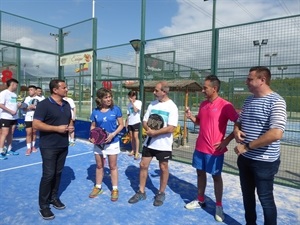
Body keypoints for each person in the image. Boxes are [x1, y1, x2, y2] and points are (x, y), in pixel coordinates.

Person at [233, 66, 287, 225]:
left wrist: (247, 146)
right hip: (245, 159)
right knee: (247, 196)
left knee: (265, 199)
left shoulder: (276, 101)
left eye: (250, 79)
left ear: (262, 80)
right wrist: (236, 130)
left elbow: (276, 133)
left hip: (264, 162)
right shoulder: (248, 99)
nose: (246, 82)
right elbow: (240, 121)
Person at [184, 75, 239, 222]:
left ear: (214, 88)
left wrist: (226, 141)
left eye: (205, 87)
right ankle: (200, 199)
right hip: (200, 147)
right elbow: (199, 122)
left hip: (215, 150)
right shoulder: (203, 105)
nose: (202, 90)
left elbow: (238, 123)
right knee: (200, 174)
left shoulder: (225, 105)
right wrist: (190, 117)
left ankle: (219, 206)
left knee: (216, 177)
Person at [128, 81, 178, 207]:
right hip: (149, 143)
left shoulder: (172, 107)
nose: (154, 92)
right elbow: (144, 120)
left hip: (164, 145)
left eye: (156, 90)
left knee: (163, 167)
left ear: (164, 92)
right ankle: (141, 192)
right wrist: (148, 129)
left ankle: (161, 193)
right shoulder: (152, 104)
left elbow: (171, 127)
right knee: (143, 165)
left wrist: (155, 132)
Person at [33, 79, 74, 220]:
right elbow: (36, 124)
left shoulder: (67, 104)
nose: (66, 89)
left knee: (58, 173)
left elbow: (69, 119)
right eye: (64, 87)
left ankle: (53, 198)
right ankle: (44, 206)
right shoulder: (44, 105)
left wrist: (70, 126)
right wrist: (57, 129)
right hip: (48, 146)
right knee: (48, 175)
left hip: (63, 145)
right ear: (55, 90)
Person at [88, 88, 124, 202]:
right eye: (106, 97)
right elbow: (93, 127)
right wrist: (92, 137)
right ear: (100, 99)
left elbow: (121, 125)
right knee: (99, 166)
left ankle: (114, 189)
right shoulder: (95, 112)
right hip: (99, 144)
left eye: (110, 97)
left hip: (112, 143)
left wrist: (113, 135)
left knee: (112, 166)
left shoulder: (116, 110)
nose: (109, 99)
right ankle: (98, 187)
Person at [0, 78, 22, 159]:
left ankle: (9, 149)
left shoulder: (15, 95)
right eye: (16, 85)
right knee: (4, 134)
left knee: (11, 133)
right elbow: (1, 104)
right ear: (12, 84)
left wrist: (18, 106)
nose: (16, 87)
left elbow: (15, 105)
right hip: (5, 117)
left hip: (14, 118)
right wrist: (10, 111)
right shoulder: (3, 93)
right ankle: (1, 151)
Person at [126, 90, 142, 159]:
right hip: (130, 122)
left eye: (132, 96)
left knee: (136, 137)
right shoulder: (128, 105)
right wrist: (126, 123)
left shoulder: (139, 102)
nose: (130, 98)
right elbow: (128, 114)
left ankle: (137, 152)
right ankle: (133, 150)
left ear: (135, 96)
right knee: (131, 137)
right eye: (129, 97)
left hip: (136, 122)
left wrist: (132, 103)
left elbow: (135, 111)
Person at [23, 85, 39, 155]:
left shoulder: (40, 99)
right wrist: (28, 108)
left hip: (36, 118)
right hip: (28, 117)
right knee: (28, 132)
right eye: (29, 90)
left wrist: (35, 107)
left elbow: (43, 109)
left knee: (34, 132)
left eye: (31, 90)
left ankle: (33, 146)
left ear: (35, 91)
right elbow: (23, 109)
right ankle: (28, 148)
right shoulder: (26, 98)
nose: (30, 91)